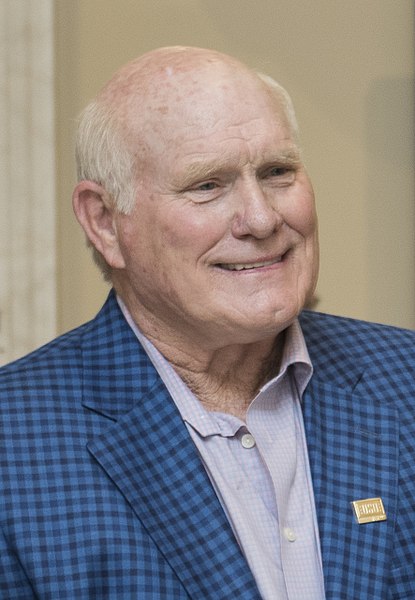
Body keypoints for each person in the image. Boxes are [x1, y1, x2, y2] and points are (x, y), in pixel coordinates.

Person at [0, 46, 414, 600]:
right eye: (207, 185)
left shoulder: (404, 380)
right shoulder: (15, 445)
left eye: (277, 172)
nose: (263, 218)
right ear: (104, 222)